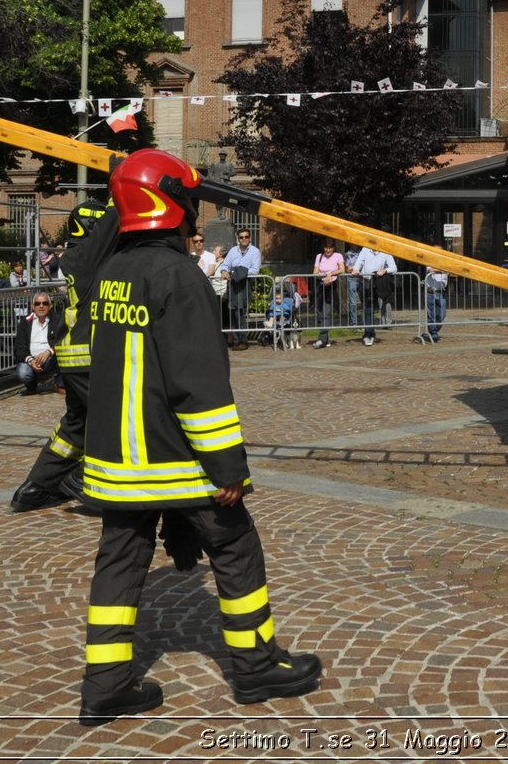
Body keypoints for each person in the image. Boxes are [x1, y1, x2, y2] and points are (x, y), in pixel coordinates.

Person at [77, 149, 321, 725]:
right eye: (188, 200)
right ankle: (255, 665)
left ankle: (105, 686)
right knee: (236, 548)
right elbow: (198, 383)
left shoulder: (112, 273)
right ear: (173, 204)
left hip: (119, 462)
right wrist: (228, 466)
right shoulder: (179, 276)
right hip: (176, 458)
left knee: (119, 562)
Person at [10, 196, 115, 513]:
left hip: (75, 357)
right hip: (88, 357)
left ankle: (35, 488)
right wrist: (118, 189)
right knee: (113, 420)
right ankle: (84, 480)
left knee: (75, 425)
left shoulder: (75, 257)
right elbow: (113, 222)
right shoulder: (87, 255)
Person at [12, 293, 66, 395]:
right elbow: (19, 348)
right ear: (33, 307)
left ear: (50, 306)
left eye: (45, 303)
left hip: (51, 359)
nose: (41, 306)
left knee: (63, 357)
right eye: (37, 304)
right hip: (31, 360)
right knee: (23, 373)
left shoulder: (58, 320)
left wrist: (48, 352)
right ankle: (31, 384)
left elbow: (63, 340)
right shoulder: (25, 322)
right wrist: (31, 360)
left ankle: (59, 383)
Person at [217, 229, 262, 350]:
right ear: (238, 238)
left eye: (246, 237)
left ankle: (243, 341)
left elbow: (254, 270)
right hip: (232, 285)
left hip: (244, 284)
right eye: (241, 237)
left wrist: (236, 272)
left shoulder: (255, 252)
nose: (244, 239)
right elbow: (225, 264)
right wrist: (225, 271)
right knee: (232, 313)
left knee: (241, 313)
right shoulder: (233, 250)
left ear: (250, 238)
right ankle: (236, 340)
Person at [350, 245, 396, 346]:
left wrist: (385, 270)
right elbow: (359, 261)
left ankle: (370, 333)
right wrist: (356, 269)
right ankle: (369, 333)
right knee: (367, 308)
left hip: (377, 283)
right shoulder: (365, 249)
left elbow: (394, 267)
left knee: (372, 308)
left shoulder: (386, 251)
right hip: (365, 282)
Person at [309, 240, 345, 348]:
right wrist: (321, 276)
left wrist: (330, 274)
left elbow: (342, 269)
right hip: (320, 285)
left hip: (331, 286)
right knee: (319, 312)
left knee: (326, 312)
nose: (328, 250)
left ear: (333, 248)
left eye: (330, 248)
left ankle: (322, 339)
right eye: (326, 247)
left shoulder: (338, 256)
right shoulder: (319, 256)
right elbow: (315, 272)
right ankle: (326, 338)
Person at [414, 264, 448, 344]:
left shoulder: (446, 261)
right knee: (431, 314)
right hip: (430, 292)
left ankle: (433, 330)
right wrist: (443, 269)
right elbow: (430, 270)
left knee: (442, 315)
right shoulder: (430, 260)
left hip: (441, 291)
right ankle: (433, 333)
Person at [206, 150, 238, 219]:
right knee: (217, 199)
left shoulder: (229, 164)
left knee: (225, 199)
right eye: (221, 154)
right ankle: (218, 212)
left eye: (223, 155)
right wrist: (213, 179)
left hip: (225, 183)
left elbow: (234, 172)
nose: (222, 156)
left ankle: (223, 213)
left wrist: (228, 173)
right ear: (219, 155)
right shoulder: (215, 164)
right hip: (217, 183)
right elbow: (210, 173)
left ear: (225, 156)